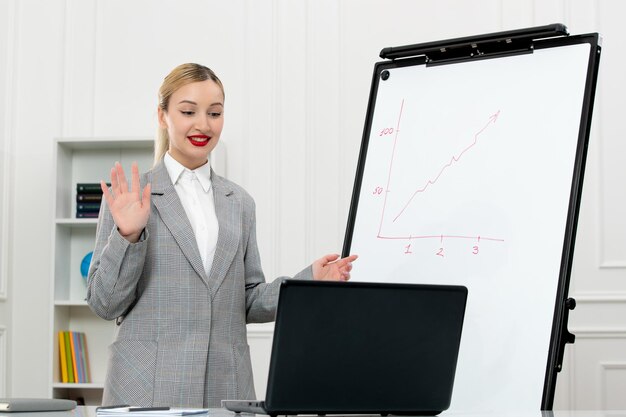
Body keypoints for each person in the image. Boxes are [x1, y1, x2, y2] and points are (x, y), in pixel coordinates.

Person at [86, 63, 357, 408]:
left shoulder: (239, 203)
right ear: (162, 116)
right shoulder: (130, 197)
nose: (203, 124)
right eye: (188, 111)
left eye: (214, 112)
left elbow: (248, 300)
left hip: (224, 388)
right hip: (149, 392)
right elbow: (104, 303)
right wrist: (128, 234)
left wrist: (310, 281)